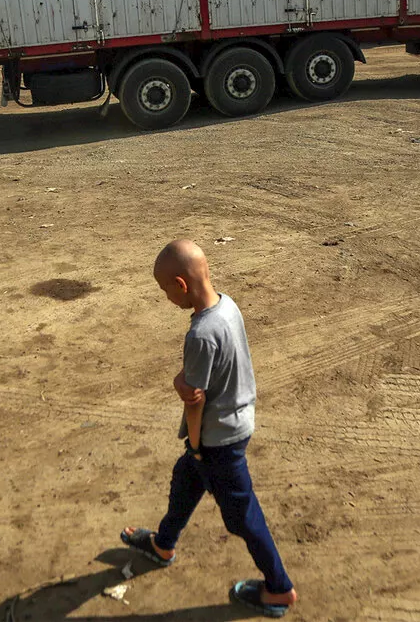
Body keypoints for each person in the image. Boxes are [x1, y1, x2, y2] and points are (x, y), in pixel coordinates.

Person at [120, 239, 297, 618]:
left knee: (243, 517)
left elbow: (194, 400)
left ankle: (279, 588)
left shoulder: (200, 334)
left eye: (164, 289)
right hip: (237, 419)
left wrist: (198, 444)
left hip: (217, 439)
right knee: (185, 478)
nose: (165, 296)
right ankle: (163, 544)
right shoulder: (228, 306)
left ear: (180, 286)